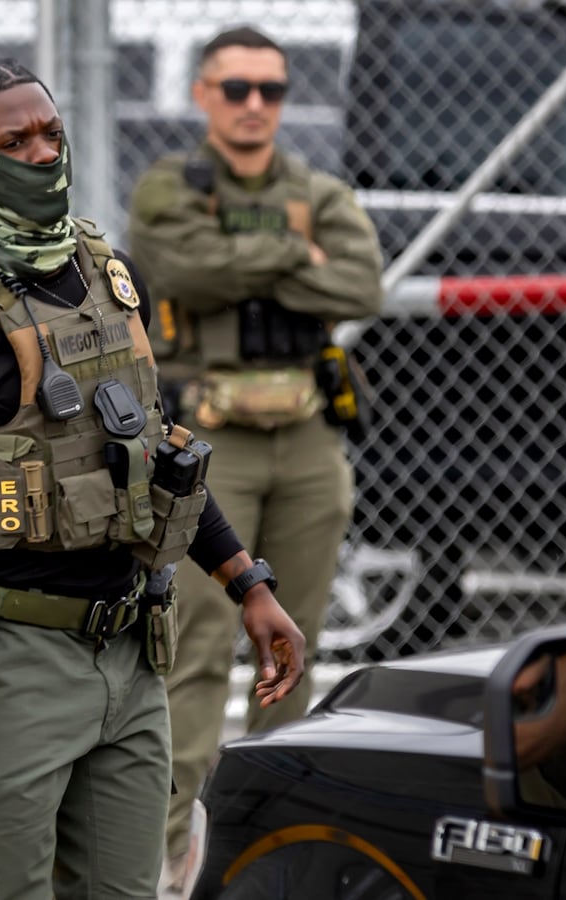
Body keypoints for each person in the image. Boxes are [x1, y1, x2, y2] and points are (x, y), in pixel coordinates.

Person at [0, 58, 307, 900]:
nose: (39, 153)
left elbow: (154, 452)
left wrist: (246, 581)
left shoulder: (111, 279)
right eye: (13, 140)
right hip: (12, 666)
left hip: (134, 659)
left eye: (50, 134)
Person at [124, 25, 385, 878]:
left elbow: (360, 284)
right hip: (213, 437)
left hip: (308, 438)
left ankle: (273, 845)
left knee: (294, 642)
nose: (252, 106)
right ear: (203, 94)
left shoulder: (319, 188)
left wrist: (250, 262)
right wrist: (289, 253)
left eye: (269, 90)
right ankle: (168, 854)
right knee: (198, 644)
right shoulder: (171, 186)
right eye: (235, 89)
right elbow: (177, 268)